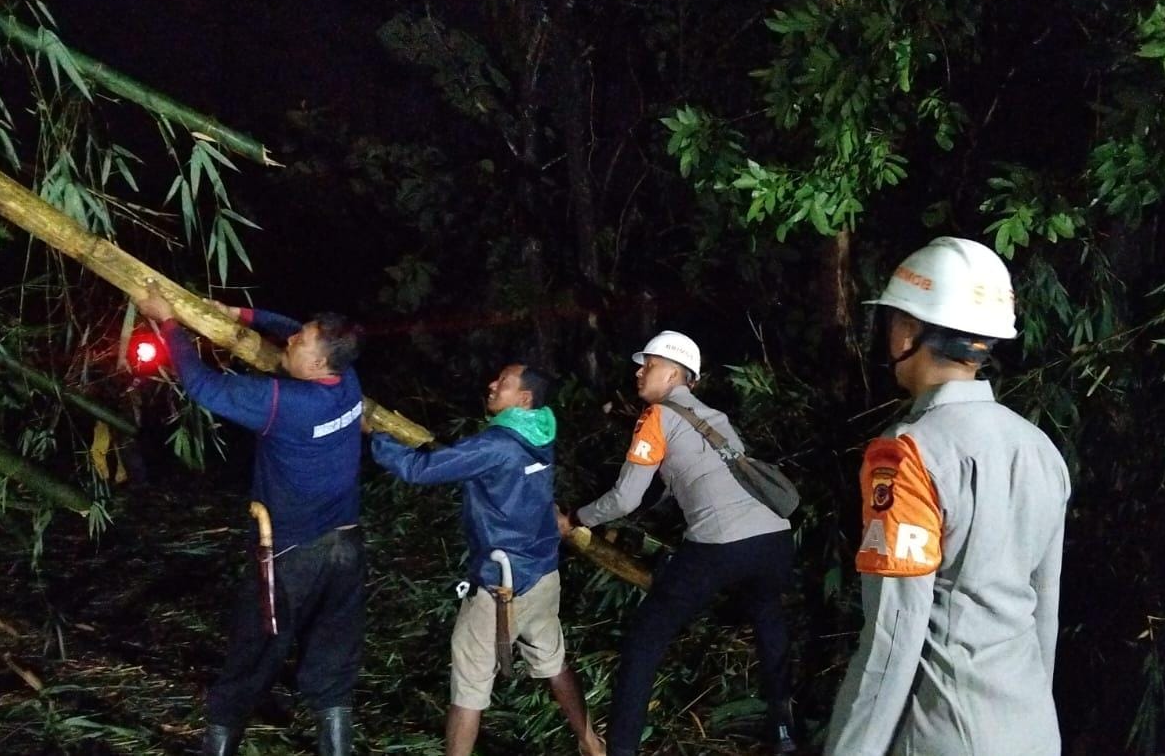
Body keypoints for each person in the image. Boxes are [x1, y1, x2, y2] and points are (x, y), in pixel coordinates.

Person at [824, 237, 1070, 756]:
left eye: (893, 321)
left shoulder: (907, 453)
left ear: (909, 331)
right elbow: (1043, 609)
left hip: (946, 732)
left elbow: (894, 636)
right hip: (1033, 731)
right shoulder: (1040, 448)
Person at [134, 287, 366, 756]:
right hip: (347, 547)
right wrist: (240, 313)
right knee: (333, 652)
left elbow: (201, 386)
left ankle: (218, 742)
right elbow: (289, 330)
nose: (291, 342)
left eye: (302, 344)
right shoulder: (348, 380)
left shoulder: (285, 402)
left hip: (291, 553)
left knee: (254, 651)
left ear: (320, 364)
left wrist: (170, 324)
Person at [558, 331, 798, 756]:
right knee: (768, 618)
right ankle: (783, 732)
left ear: (673, 374)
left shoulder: (657, 416)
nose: (639, 371)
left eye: (647, 364)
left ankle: (621, 750)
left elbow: (626, 498)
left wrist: (576, 518)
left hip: (720, 545)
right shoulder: (716, 417)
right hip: (774, 539)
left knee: (645, 640)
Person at [370, 364, 606, 756]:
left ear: (524, 399)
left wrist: (378, 437)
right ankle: (591, 743)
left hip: (502, 586)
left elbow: (418, 469)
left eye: (504, 383)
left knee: (469, 686)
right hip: (544, 575)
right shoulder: (541, 431)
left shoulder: (497, 443)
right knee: (554, 661)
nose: (491, 385)